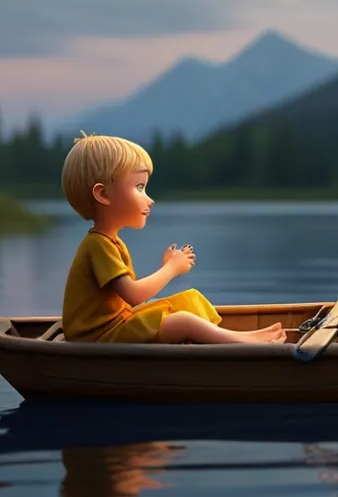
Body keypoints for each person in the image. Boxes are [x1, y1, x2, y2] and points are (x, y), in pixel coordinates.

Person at [60, 132, 286, 345]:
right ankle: (244, 342)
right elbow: (134, 295)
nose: (149, 200)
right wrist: (171, 268)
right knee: (184, 321)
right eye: (139, 187)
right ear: (103, 194)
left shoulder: (109, 241)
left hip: (115, 325)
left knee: (189, 299)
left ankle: (237, 336)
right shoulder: (98, 245)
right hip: (98, 338)